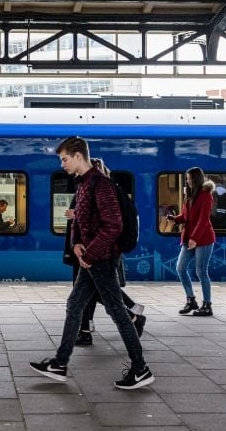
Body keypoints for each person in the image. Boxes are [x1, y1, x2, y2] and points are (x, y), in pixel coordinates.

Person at [30, 136, 153, 390]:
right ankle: (60, 363)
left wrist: (89, 255)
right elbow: (81, 220)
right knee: (75, 304)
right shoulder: (84, 184)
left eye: (64, 159)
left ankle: (140, 368)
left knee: (118, 313)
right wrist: (76, 244)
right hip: (90, 260)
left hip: (102, 260)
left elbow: (113, 226)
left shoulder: (101, 185)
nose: (62, 164)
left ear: (78, 156)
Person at [72, 158, 145, 346]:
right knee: (93, 292)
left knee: (99, 293)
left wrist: (88, 255)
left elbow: (110, 226)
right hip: (92, 253)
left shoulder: (102, 189)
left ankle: (132, 320)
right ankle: (85, 330)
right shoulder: (90, 187)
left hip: (98, 254)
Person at [170, 167, 216, 316]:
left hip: (203, 239)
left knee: (201, 272)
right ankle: (191, 300)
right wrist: (175, 219)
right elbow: (186, 216)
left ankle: (207, 305)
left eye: (189, 178)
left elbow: (203, 219)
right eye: (187, 178)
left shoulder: (205, 195)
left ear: (196, 179)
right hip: (189, 238)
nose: (187, 181)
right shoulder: (190, 195)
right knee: (180, 268)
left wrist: (194, 239)